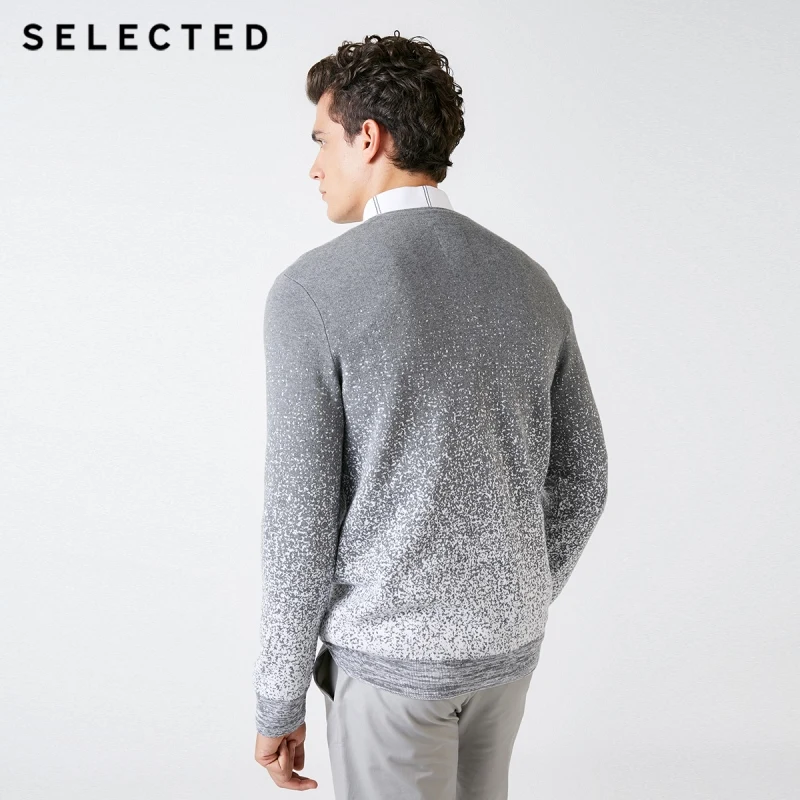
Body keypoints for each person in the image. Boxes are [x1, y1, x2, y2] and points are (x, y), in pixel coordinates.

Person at [252, 31, 609, 798]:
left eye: (320, 140)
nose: (314, 166)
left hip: (389, 667)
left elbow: (299, 520)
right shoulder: (528, 281)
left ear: (368, 138)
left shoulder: (312, 293)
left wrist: (278, 698)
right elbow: (586, 477)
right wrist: (506, 595)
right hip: (506, 655)